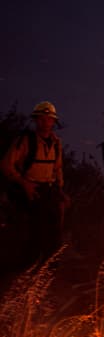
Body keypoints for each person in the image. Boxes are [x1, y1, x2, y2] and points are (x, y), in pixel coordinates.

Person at [1, 100, 69, 269]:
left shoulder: (56, 142)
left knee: (55, 231)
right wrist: (24, 183)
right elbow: (6, 165)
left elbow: (58, 168)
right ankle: (28, 270)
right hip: (31, 190)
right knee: (36, 231)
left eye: (49, 119)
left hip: (49, 190)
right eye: (41, 119)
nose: (45, 122)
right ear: (36, 120)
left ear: (53, 122)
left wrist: (60, 191)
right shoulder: (25, 141)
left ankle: (49, 271)